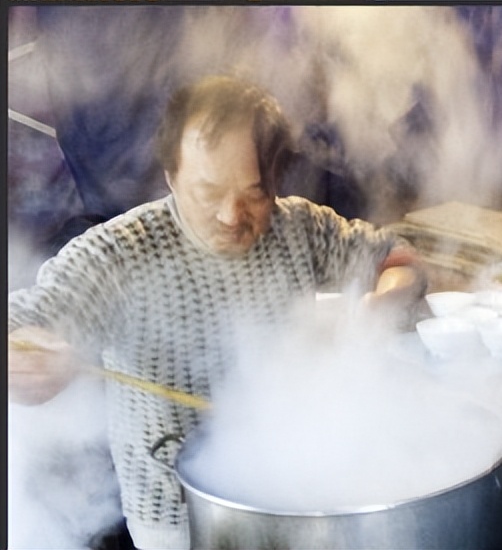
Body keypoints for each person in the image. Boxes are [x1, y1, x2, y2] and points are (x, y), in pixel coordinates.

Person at [8, 75, 428, 549]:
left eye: (254, 194)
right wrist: (28, 357)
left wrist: (382, 302)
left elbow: (396, 258)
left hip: (288, 496)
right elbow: (21, 320)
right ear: (171, 176)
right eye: (209, 192)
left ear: (275, 179)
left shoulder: (300, 227)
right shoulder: (120, 251)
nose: (232, 216)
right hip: (173, 519)